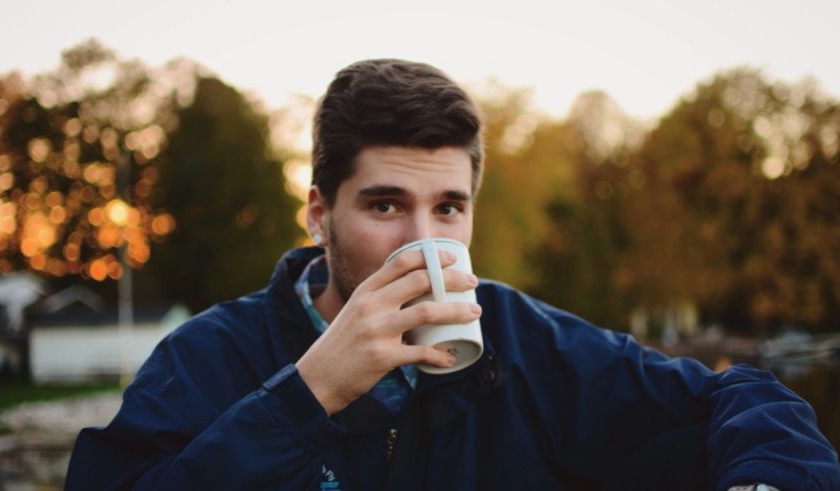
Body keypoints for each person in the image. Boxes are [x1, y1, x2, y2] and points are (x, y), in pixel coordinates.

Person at [65, 59, 840, 491]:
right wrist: (308, 393)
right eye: (384, 204)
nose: (422, 241)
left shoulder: (519, 339)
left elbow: (738, 395)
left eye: (449, 208)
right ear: (316, 214)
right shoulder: (209, 357)